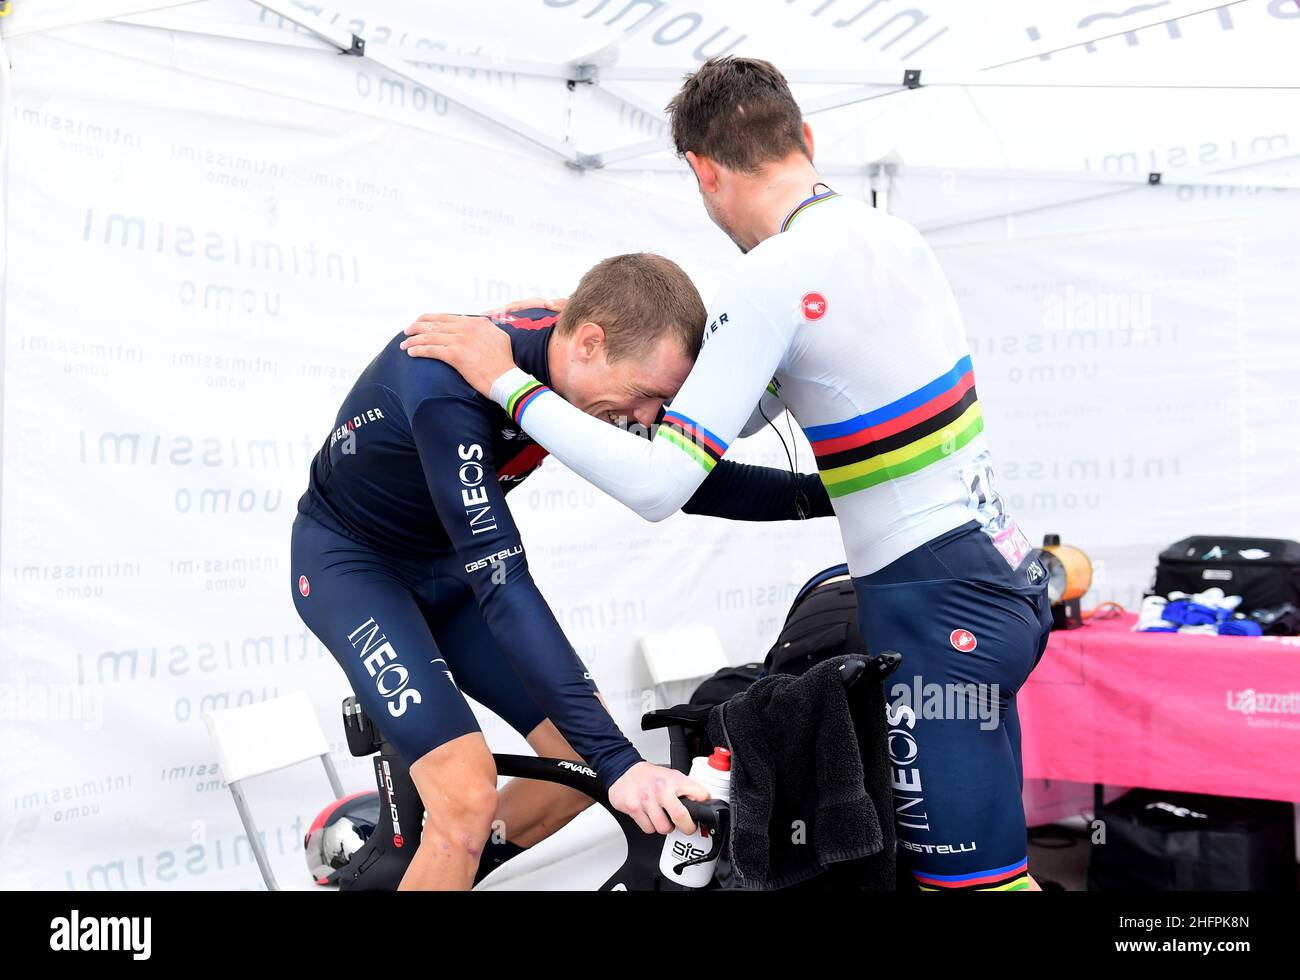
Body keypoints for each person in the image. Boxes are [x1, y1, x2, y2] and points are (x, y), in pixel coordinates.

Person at [402, 58, 1054, 892]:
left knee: (968, 890)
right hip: (1000, 577)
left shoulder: (772, 276)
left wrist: (508, 382)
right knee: (993, 873)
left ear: (703, 173)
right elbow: (726, 421)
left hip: (938, 614)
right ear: (804, 140)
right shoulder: (892, 236)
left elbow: (656, 484)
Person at [292, 251, 833, 890]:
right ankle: (453, 842)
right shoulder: (451, 386)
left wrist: (837, 493)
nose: (651, 417)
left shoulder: (581, 364)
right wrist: (622, 764)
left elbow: (681, 478)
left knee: (578, 763)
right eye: (649, 395)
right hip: (355, 568)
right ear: (589, 343)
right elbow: (501, 582)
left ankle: (445, 863)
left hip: (448, 568)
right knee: (469, 797)